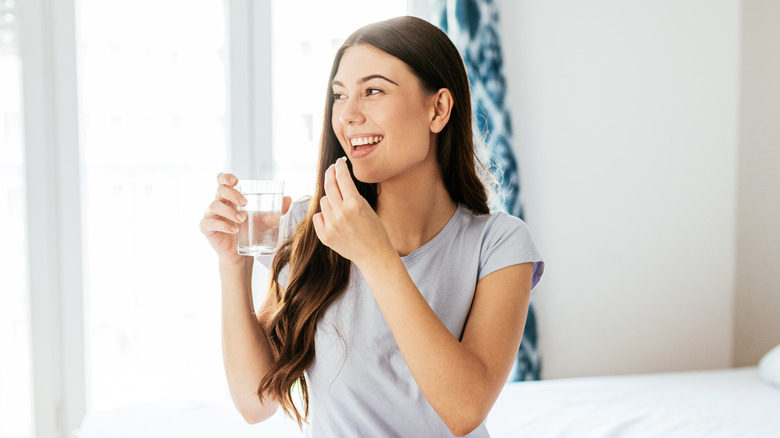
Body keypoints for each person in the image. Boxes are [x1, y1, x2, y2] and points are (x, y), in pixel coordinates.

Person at [199, 15, 544, 438]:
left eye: (373, 91)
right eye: (339, 95)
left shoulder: (500, 244)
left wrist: (375, 255)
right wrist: (234, 266)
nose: (347, 115)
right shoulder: (313, 228)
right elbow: (255, 403)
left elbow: (465, 409)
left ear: (438, 109)